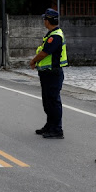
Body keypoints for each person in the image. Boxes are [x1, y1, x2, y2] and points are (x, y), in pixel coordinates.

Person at [29, 8, 68, 139]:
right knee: (47, 101)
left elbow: (44, 53)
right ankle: (50, 125)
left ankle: (57, 129)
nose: (44, 21)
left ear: (49, 20)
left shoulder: (55, 36)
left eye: (45, 19)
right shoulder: (51, 34)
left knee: (53, 101)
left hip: (53, 73)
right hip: (47, 73)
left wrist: (33, 61)